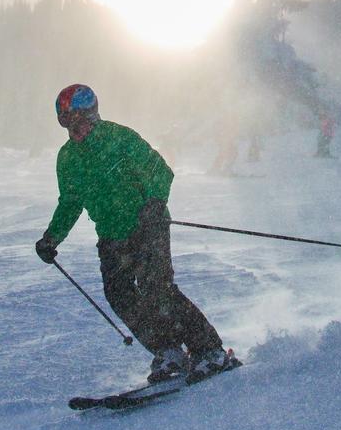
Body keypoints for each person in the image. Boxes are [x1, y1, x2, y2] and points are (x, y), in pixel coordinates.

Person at [35, 84, 231, 383]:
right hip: (112, 235)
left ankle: (209, 351)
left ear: (92, 114)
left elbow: (160, 171)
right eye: (66, 121)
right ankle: (168, 351)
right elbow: (70, 202)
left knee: (157, 289)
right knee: (119, 294)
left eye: (78, 119)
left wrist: (154, 202)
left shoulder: (120, 138)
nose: (76, 128)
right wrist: (52, 238)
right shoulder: (68, 158)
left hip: (147, 226)